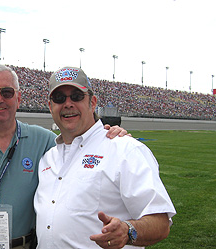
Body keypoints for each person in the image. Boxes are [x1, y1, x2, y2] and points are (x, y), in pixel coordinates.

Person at [0, 63, 129, 249]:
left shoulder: (46, 142)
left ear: (18, 98)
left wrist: (107, 134)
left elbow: (79, 144)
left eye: (6, 92)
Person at [34, 66, 176, 249]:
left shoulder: (125, 149)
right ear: (50, 106)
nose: (68, 104)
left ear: (92, 103)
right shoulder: (48, 158)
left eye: (76, 96)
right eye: (59, 98)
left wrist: (127, 231)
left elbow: (161, 223)